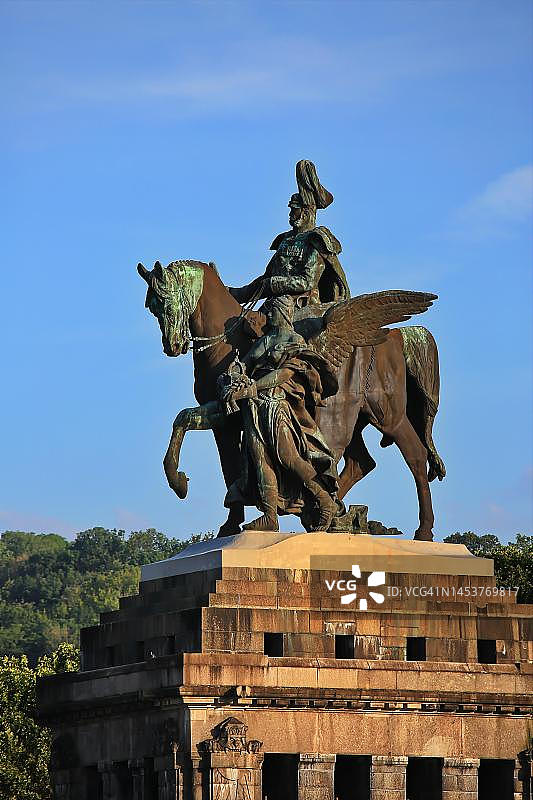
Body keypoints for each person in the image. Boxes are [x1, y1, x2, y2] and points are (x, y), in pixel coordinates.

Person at [219, 294, 340, 532]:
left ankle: (325, 500)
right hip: (255, 408)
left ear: (283, 313)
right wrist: (234, 374)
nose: (268, 316)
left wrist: (252, 387)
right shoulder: (265, 341)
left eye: (272, 311)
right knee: (259, 459)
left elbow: (283, 375)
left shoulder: (294, 341)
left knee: (289, 457)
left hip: (277, 406)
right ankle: (269, 515)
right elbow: (246, 362)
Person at [229, 161, 350, 309]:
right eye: (291, 210)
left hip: (302, 306)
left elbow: (307, 281)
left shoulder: (315, 241)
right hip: (277, 303)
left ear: (305, 212)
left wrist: (274, 284)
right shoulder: (285, 239)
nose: (290, 214)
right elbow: (266, 280)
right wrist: (233, 293)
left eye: (294, 210)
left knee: (278, 323)